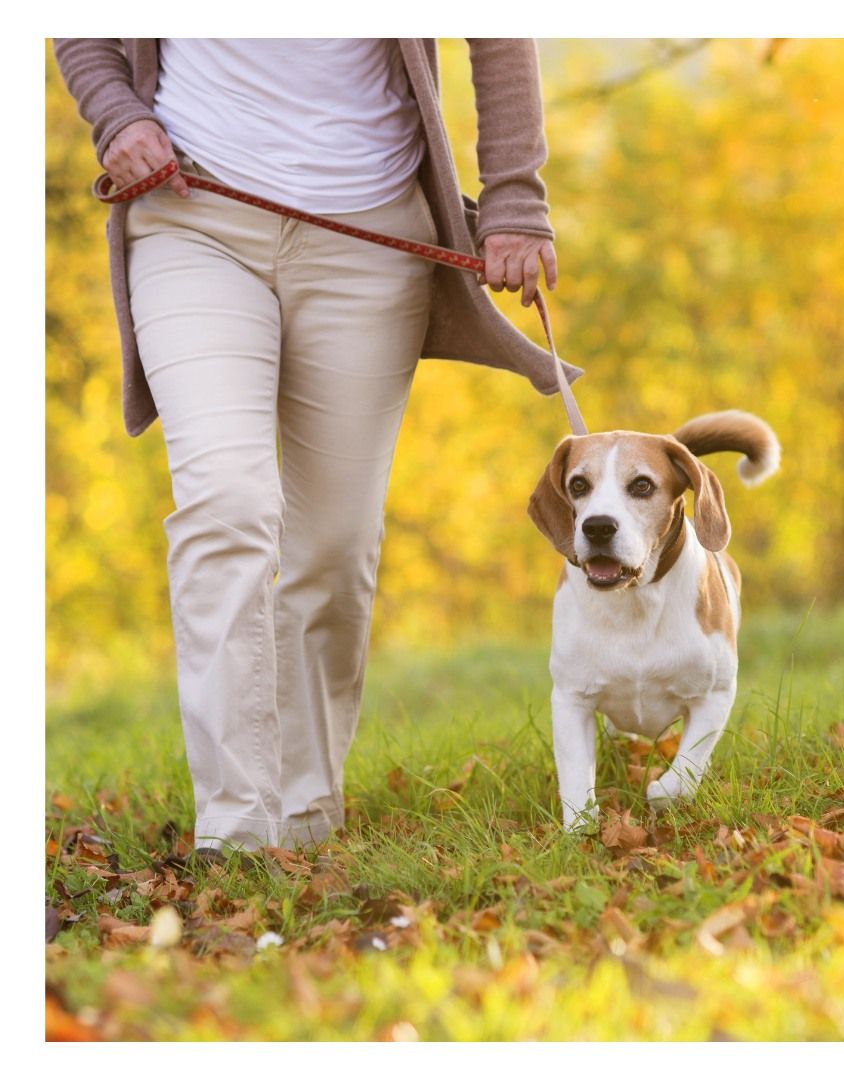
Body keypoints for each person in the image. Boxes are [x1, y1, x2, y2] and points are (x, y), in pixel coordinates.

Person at [53, 38, 579, 854]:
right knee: (226, 500)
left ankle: (304, 814)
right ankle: (236, 826)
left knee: (333, 546)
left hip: (368, 240)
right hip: (194, 217)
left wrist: (514, 199)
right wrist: (115, 112)